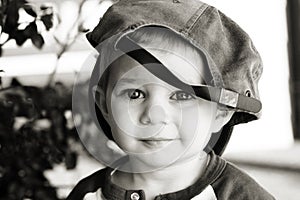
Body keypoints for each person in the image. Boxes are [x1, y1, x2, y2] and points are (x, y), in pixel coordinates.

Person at [68, 0, 275, 199]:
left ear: (220, 112)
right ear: (104, 105)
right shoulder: (86, 194)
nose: (153, 115)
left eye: (182, 95)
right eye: (135, 94)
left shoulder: (244, 196)